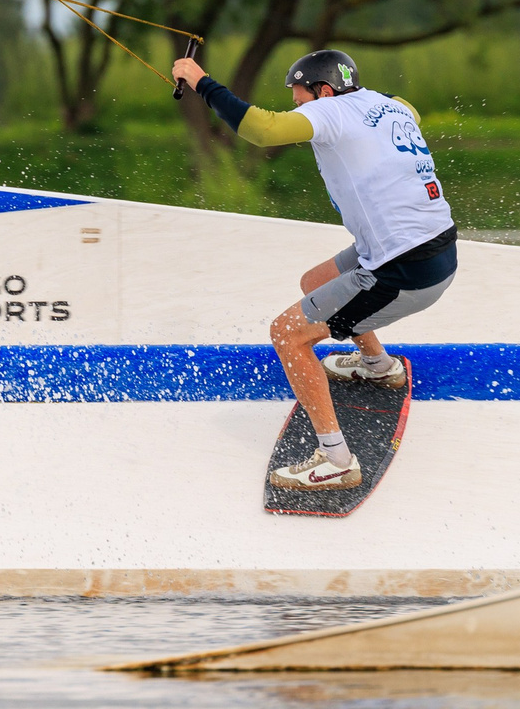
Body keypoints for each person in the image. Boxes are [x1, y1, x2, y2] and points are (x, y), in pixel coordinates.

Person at [170, 48, 459, 490]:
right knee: (315, 283)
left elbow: (263, 130)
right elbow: (408, 111)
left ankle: (336, 460)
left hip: (404, 270)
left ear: (324, 91)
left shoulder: (331, 111)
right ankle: (379, 366)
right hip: (436, 248)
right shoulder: (391, 105)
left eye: (300, 98)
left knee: (288, 333)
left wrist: (200, 81)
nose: (297, 109)